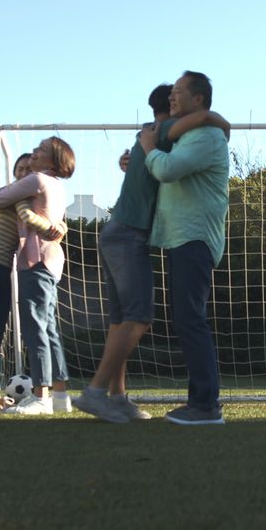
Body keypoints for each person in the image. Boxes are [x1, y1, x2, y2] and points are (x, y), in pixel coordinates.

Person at [73, 85, 229, 423]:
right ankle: (95, 393)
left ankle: (117, 398)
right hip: (128, 235)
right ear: (171, 108)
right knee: (138, 317)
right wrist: (217, 119)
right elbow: (203, 120)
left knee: (120, 321)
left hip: (116, 232)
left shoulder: (150, 136)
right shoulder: (162, 132)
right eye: (175, 96)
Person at [139, 71, 230, 425]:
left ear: (199, 99)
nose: (172, 97)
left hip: (195, 238)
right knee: (186, 319)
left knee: (191, 319)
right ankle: (201, 402)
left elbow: (169, 170)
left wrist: (149, 151)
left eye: (178, 92)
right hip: (182, 238)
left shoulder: (206, 136)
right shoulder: (190, 133)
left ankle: (205, 405)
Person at [0, 153, 66, 413]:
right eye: (19, 169)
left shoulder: (29, 197)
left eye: (27, 170)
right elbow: (27, 215)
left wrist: (60, 226)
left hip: (3, 269)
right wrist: (54, 228)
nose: (23, 174)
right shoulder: (14, 196)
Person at [0, 137, 76, 415]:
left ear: (54, 160)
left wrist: (17, 196)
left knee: (36, 328)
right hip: (51, 261)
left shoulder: (36, 180)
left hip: (36, 262)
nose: (35, 152)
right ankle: (60, 396)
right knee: (49, 329)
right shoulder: (56, 185)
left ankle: (41, 397)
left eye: (41, 150)